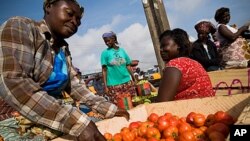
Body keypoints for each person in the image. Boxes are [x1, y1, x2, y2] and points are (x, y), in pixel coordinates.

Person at [0, 0, 129, 141]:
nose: (74, 22)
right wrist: (76, 123)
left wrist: (109, 109)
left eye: (78, 20)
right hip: (18, 121)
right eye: (69, 14)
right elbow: (14, 82)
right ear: (49, 7)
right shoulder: (20, 27)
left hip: (52, 121)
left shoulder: (63, 50)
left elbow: (75, 86)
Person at [156, 28, 215, 102]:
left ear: (178, 45)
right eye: (161, 47)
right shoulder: (194, 63)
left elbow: (162, 103)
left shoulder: (174, 65)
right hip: (209, 107)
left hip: (191, 111)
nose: (161, 50)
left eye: (164, 45)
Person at [101, 31, 137, 109]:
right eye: (105, 42)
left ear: (114, 39)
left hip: (127, 82)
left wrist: (133, 78)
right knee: (119, 107)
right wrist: (105, 86)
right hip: (114, 85)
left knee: (131, 104)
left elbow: (128, 65)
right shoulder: (105, 53)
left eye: (108, 41)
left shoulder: (122, 51)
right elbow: (104, 70)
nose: (107, 43)